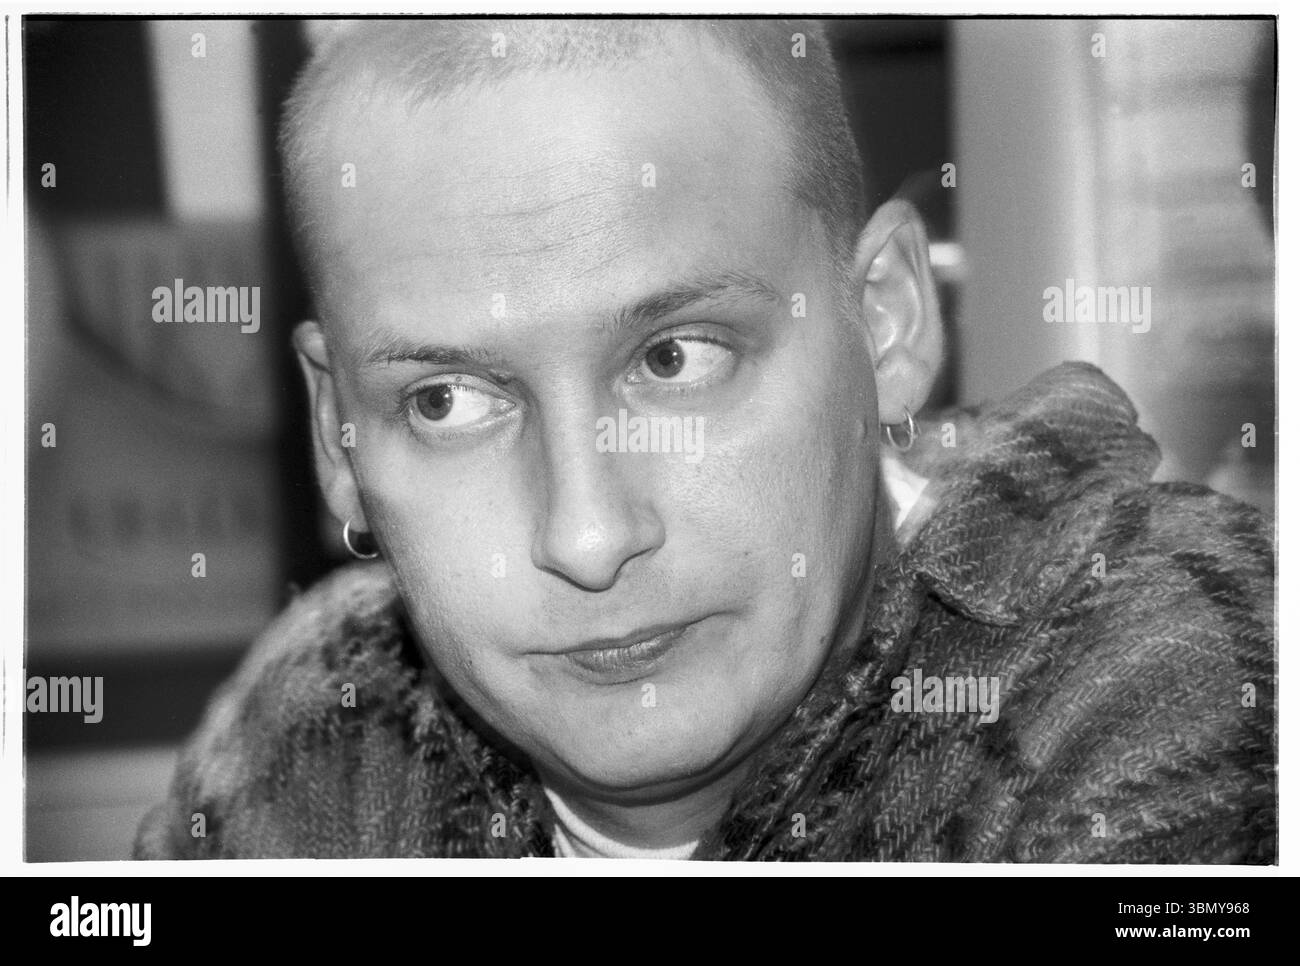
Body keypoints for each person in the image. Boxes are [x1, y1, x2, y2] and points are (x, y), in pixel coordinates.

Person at [134, 18, 1275, 861]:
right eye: (447, 401)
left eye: (675, 359)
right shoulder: (309, 735)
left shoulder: (1167, 670)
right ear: (339, 433)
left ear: (882, 319)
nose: (586, 538)